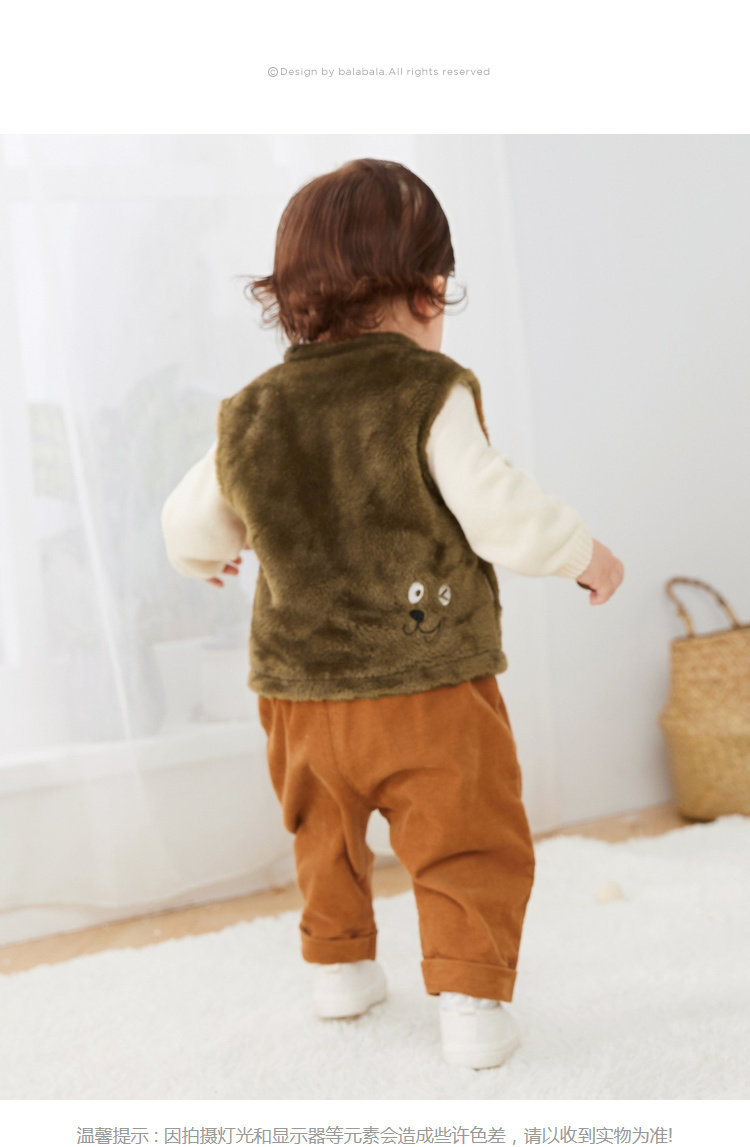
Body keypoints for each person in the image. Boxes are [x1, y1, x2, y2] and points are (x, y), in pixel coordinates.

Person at [161, 158, 624, 1070]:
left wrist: (204, 558)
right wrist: (583, 554)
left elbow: (188, 520)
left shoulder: (252, 410)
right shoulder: (428, 389)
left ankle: (340, 973)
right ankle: (471, 1006)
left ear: (289, 297)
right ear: (429, 288)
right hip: (428, 686)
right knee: (465, 837)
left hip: (299, 699)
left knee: (322, 837)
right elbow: (497, 507)